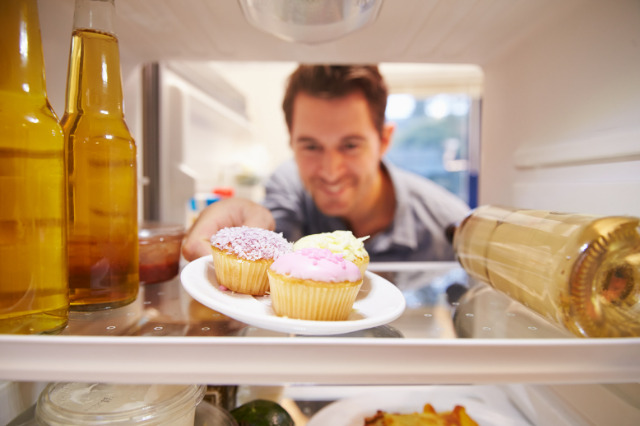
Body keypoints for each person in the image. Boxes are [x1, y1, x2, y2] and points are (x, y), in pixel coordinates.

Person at [182, 65, 470, 262]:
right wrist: (239, 225)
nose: (330, 171)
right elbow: (268, 237)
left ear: (384, 140)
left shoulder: (447, 227)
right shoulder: (289, 182)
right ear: (291, 143)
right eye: (311, 146)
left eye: (350, 145)